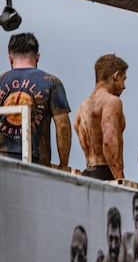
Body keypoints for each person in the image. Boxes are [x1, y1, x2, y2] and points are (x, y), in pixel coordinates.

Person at [0, 32, 71, 167]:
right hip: (36, 163)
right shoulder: (51, 82)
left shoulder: (1, 81)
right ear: (37, 57)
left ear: (10, 58)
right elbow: (62, 125)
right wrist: (63, 164)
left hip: (2, 161)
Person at [74, 53, 128, 180]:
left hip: (87, 173)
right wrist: (119, 178)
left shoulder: (81, 108)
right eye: (123, 80)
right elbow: (109, 141)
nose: (124, 86)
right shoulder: (111, 102)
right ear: (116, 76)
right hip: (106, 173)